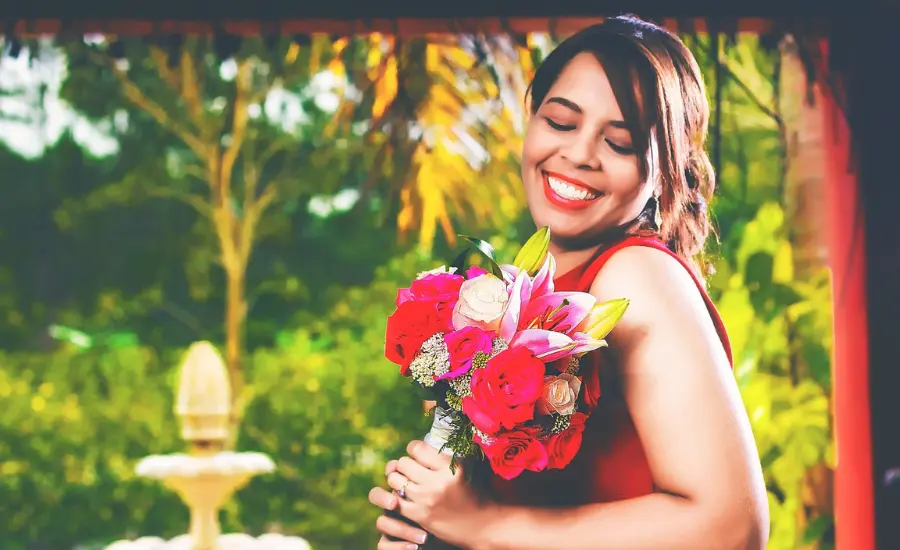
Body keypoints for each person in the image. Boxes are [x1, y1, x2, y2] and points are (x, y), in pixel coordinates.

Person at [368, 14, 769, 550]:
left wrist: (485, 526)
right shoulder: (541, 289)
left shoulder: (636, 276)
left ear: (662, 173)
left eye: (621, 142)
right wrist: (437, 520)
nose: (580, 154)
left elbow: (729, 528)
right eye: (560, 122)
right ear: (532, 122)